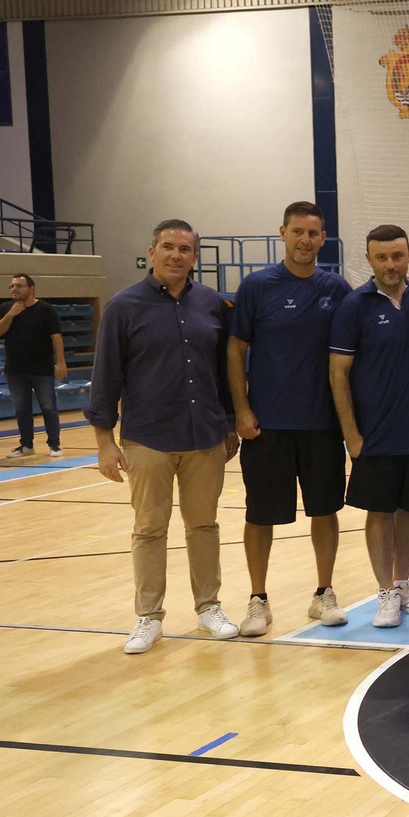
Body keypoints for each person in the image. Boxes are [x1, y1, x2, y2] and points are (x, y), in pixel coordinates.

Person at [86, 219, 241, 654]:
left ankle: (209, 606)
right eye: (168, 247)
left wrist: (228, 423)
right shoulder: (123, 307)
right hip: (147, 437)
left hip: (205, 436)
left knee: (204, 526)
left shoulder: (212, 304)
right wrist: (104, 441)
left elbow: (223, 372)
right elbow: (105, 377)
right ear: (151, 251)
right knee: (150, 529)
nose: (176, 255)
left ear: (195, 256)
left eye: (185, 249)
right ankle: (148, 617)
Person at [228, 201, 353, 636]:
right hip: (267, 426)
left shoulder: (336, 289)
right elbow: (235, 349)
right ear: (283, 233)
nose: (305, 240)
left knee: (325, 509)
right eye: (297, 232)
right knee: (259, 514)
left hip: (322, 424)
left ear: (323, 238)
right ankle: (258, 600)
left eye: (313, 233)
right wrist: (240, 410)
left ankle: (324, 593)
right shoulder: (256, 286)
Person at [329, 224, 409, 629]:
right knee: (379, 512)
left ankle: (403, 583)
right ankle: (384, 594)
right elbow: (338, 374)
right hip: (373, 434)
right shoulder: (353, 305)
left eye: (397, 256)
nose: (390, 265)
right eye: (382, 257)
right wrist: (351, 435)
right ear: (369, 259)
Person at [0, 273, 66, 459]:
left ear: (31, 289)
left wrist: (61, 362)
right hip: (15, 370)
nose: (14, 289)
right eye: (11, 286)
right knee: (21, 409)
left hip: (42, 369)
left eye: (19, 285)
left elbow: (56, 337)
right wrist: (11, 314)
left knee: (48, 407)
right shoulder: (5, 308)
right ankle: (26, 445)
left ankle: (54, 445)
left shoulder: (46, 310)